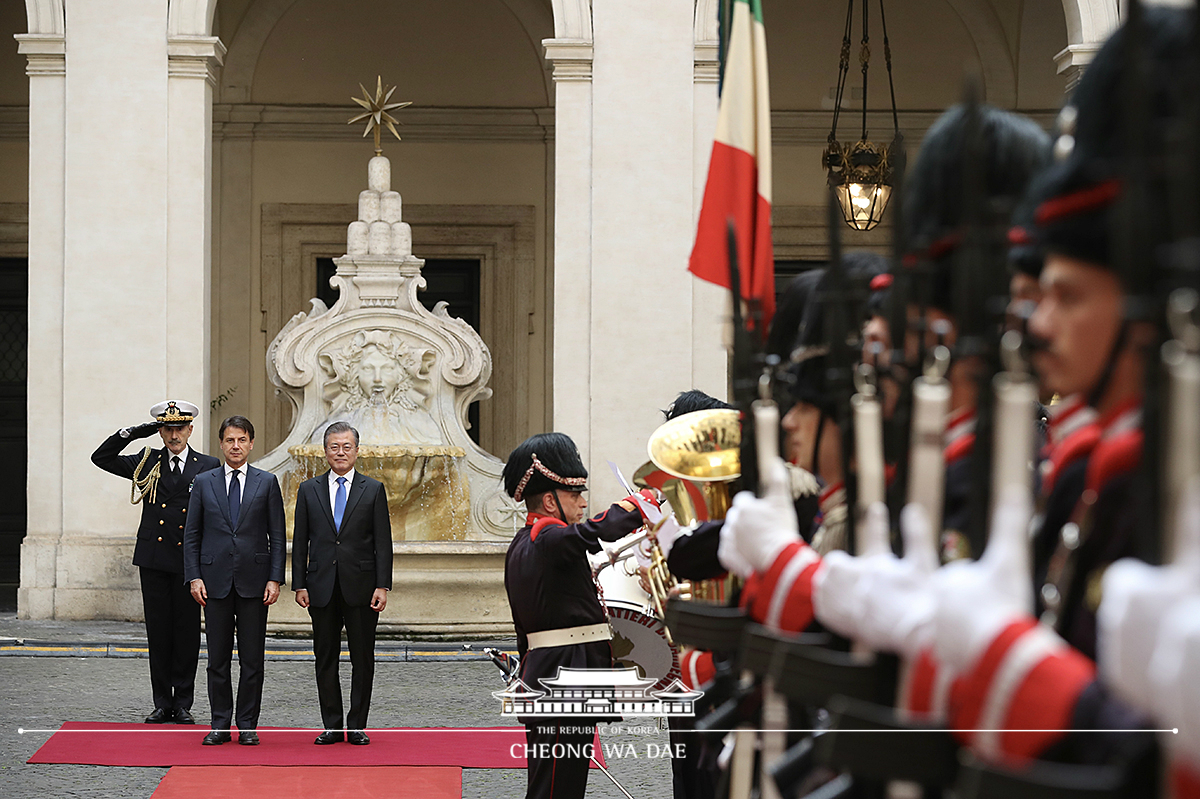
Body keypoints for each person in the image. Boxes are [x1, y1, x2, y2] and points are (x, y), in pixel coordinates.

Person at [502, 432, 655, 799]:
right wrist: (641, 504)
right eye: (575, 495)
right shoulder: (548, 539)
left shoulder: (523, 544)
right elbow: (596, 531)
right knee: (557, 787)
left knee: (558, 783)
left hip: (551, 671)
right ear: (551, 501)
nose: (583, 502)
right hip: (563, 675)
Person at [91, 400, 219, 725]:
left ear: (190, 430)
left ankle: (184, 702)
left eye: (179, 428)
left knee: (188, 633)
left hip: (189, 561)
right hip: (155, 558)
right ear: (160, 431)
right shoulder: (147, 462)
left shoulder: (208, 465)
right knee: (159, 632)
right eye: (167, 428)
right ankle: (162, 702)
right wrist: (133, 433)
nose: (174, 435)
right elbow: (101, 458)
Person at [183, 415, 286, 746]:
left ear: (251, 443)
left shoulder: (266, 482)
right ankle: (219, 723)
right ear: (221, 443)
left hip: (255, 582)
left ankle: (247, 724)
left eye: (242, 440)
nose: (236, 446)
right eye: (230, 440)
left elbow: (278, 535)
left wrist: (275, 579)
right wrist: (194, 576)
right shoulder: (204, 482)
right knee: (217, 658)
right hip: (213, 582)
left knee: (252, 659)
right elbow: (192, 534)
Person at [292, 421, 392, 746]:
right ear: (325, 451)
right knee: (325, 657)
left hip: (362, 586)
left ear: (357, 451)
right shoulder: (308, 490)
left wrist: (382, 585)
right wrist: (299, 584)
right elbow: (301, 541)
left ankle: (358, 724)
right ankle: (332, 725)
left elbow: (383, 543)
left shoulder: (373, 489)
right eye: (334, 447)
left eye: (346, 446)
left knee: (362, 657)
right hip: (320, 586)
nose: (340, 452)